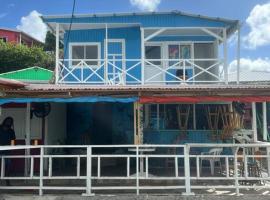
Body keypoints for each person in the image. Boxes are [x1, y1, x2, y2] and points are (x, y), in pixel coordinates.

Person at [0, 117, 16, 186]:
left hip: (7, 151)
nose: (9, 122)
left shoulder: (11, 131)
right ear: (5, 121)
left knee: (8, 165)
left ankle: (7, 180)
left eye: (10, 121)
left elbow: (13, 139)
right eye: (8, 121)